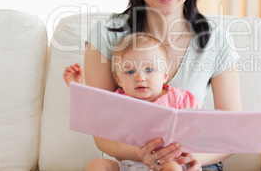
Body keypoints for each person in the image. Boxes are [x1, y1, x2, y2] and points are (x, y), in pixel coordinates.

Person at [82, 0, 242, 171]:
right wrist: (142, 154)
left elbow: (233, 131)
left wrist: (195, 159)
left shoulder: (216, 40)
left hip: (188, 163)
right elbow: (101, 131)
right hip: (129, 161)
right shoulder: (107, 34)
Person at [64, 32, 200, 171]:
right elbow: (93, 115)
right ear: (119, 80)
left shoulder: (181, 98)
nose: (140, 77)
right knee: (96, 165)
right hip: (127, 163)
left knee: (174, 169)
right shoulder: (117, 100)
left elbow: (197, 130)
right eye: (130, 72)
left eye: (149, 69)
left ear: (165, 75)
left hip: (165, 163)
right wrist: (77, 88)